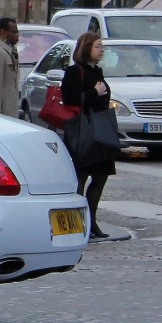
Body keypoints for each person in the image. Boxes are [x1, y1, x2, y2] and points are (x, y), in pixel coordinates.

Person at [61, 32, 114, 240]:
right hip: (83, 131)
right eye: (98, 47)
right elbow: (69, 98)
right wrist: (94, 93)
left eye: (102, 47)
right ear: (86, 49)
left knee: (100, 177)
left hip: (100, 130)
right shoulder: (75, 72)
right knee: (80, 178)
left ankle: (92, 221)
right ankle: (76, 223)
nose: (101, 50)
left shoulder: (97, 71)